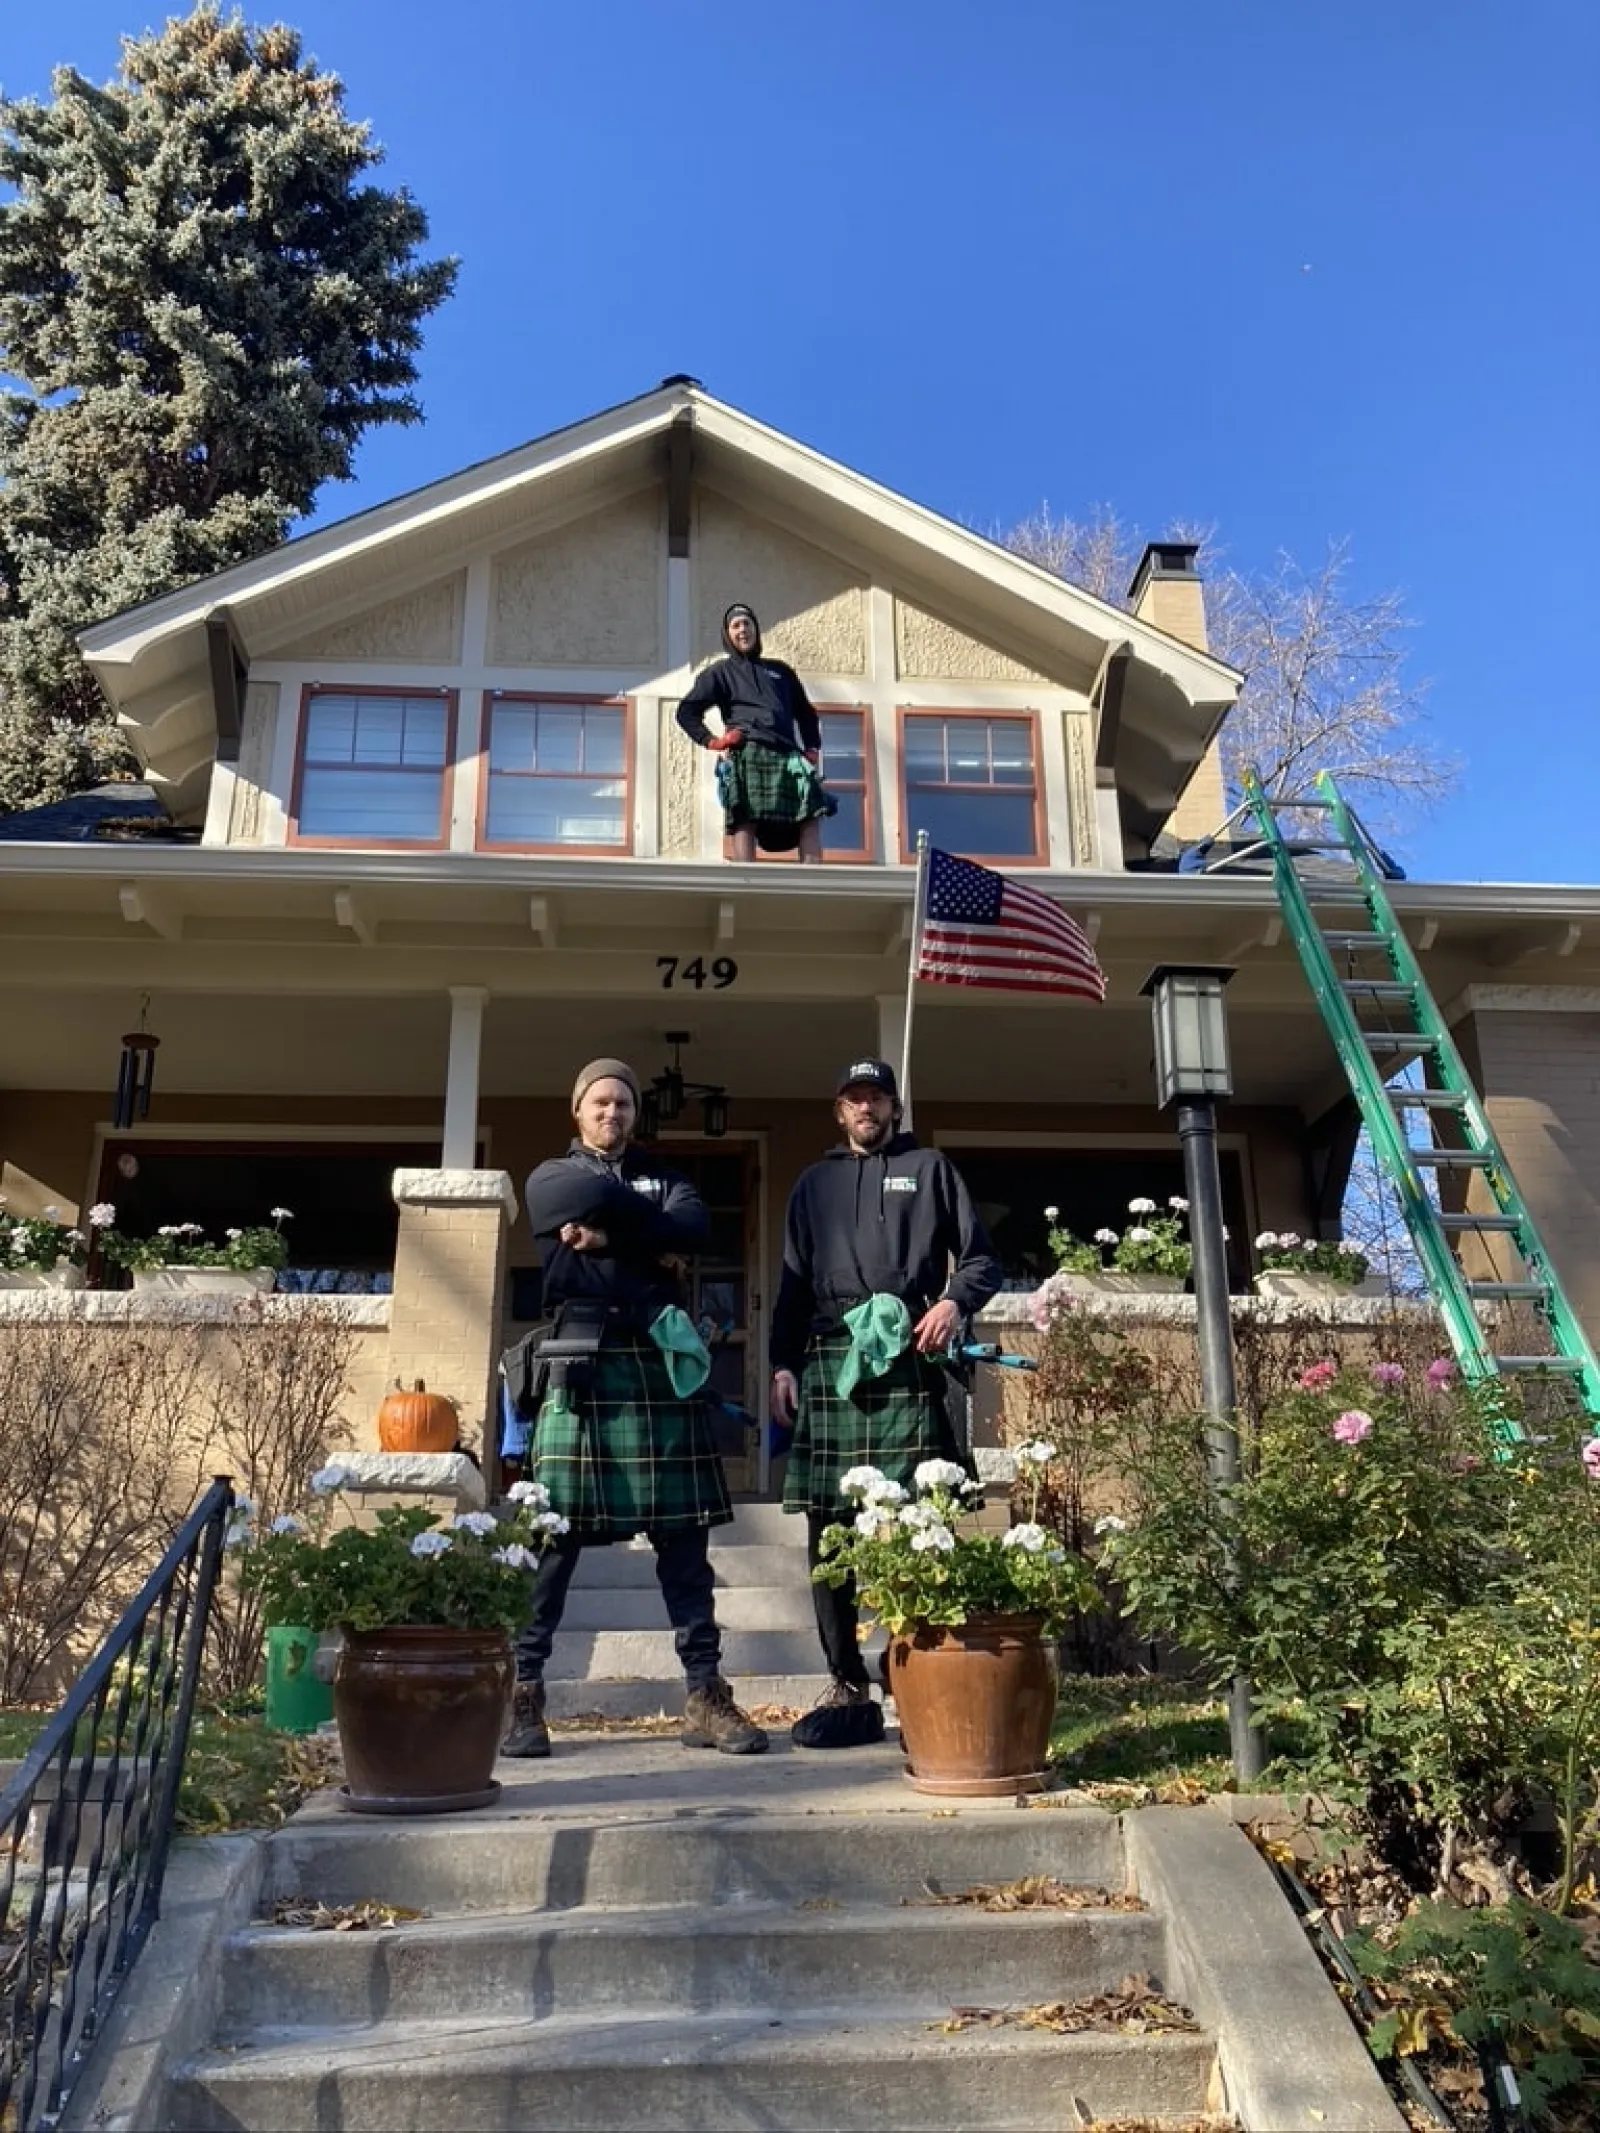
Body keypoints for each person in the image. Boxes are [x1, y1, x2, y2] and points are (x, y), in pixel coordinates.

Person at [502, 1057, 767, 1758]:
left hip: (655, 1364)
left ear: (633, 1114)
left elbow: (693, 1230)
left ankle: (705, 1693)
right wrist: (649, 1247)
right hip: (584, 1362)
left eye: (622, 1103)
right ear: (578, 1110)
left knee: (685, 1540)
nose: (611, 1112)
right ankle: (524, 1694)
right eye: (599, 1102)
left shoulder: (666, 1176)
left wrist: (608, 1235)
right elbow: (562, 1268)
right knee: (552, 1541)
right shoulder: (552, 1176)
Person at [770, 1060, 1001, 1748]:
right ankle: (844, 1678)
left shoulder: (930, 1169)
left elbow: (982, 1258)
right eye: (853, 1098)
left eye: (875, 1096)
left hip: (908, 1355)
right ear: (839, 1111)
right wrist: (781, 1364)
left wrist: (955, 1303)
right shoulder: (813, 1184)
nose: (865, 1107)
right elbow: (790, 1286)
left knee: (918, 1517)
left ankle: (917, 1663)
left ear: (894, 1107)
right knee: (830, 1528)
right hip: (830, 1357)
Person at [675, 602, 834, 861]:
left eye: (747, 624)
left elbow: (806, 713)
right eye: (736, 626)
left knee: (811, 813)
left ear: (756, 630)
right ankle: (744, 879)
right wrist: (714, 742)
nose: (743, 630)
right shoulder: (720, 673)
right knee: (744, 815)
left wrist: (812, 748)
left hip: (788, 754)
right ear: (728, 634)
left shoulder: (781, 672)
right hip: (748, 748)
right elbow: (686, 712)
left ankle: (811, 881)